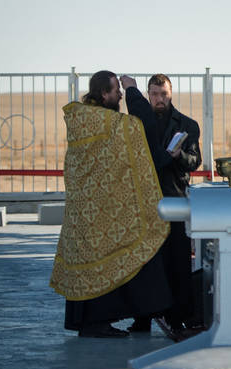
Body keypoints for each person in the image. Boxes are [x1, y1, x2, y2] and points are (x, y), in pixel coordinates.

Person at [50, 70, 173, 337]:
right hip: (100, 209)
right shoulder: (110, 122)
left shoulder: (82, 118)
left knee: (94, 260)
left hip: (84, 210)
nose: (119, 94)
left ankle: (91, 322)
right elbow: (143, 125)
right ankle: (96, 323)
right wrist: (133, 91)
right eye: (116, 90)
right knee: (124, 247)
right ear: (104, 94)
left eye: (121, 90)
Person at [120, 73, 201, 338]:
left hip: (174, 199)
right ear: (148, 94)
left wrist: (180, 156)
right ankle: (142, 319)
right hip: (144, 201)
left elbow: (194, 163)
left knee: (177, 260)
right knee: (145, 261)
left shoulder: (188, 124)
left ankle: (178, 318)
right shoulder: (137, 124)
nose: (159, 99)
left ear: (171, 93)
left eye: (163, 94)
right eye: (154, 94)